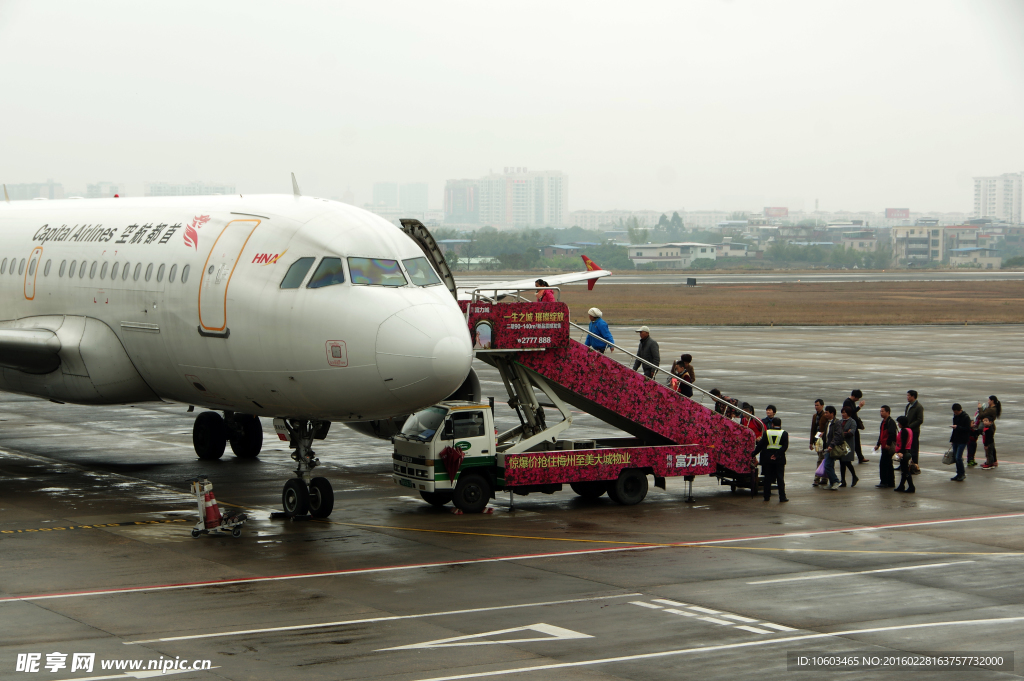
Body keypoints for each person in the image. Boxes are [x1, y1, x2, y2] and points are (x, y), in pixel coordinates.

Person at [758, 417, 789, 502]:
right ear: (780, 424)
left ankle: (766, 496)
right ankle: (782, 497)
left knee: (767, 478)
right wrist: (776, 454)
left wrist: (753, 453)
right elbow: (785, 447)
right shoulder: (784, 433)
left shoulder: (767, 433)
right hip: (779, 459)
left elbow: (761, 445)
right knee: (780, 478)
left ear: (772, 424)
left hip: (768, 459)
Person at [972, 396, 1001, 468]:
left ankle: (990, 461)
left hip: (989, 428)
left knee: (989, 445)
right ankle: (993, 461)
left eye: (989, 400)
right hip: (990, 427)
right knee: (991, 445)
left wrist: (980, 408)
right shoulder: (992, 408)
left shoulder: (992, 409)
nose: (988, 401)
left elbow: (982, 415)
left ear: (992, 401)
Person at [843, 389, 869, 464]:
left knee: (857, 441)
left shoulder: (851, 402)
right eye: (857, 398)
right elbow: (850, 413)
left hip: (854, 425)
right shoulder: (847, 402)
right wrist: (859, 407)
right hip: (850, 425)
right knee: (851, 442)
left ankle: (860, 457)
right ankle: (848, 456)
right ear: (854, 396)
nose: (857, 400)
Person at [874, 405, 898, 488]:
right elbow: (881, 434)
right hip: (884, 446)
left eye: (882, 411)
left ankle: (884, 482)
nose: (881, 413)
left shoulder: (890, 422)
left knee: (884, 464)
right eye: (880, 411)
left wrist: (888, 444)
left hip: (887, 447)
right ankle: (890, 482)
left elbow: (892, 434)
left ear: (888, 412)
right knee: (888, 464)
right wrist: (878, 444)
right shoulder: (884, 422)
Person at [948, 403, 971, 482]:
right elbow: (954, 430)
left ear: (960, 410)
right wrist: (952, 439)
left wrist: (958, 427)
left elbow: (968, 429)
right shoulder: (955, 417)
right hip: (956, 439)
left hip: (962, 440)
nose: (955, 413)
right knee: (956, 457)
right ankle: (958, 473)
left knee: (958, 457)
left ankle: (962, 473)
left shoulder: (966, 417)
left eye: (956, 412)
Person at [837, 406, 859, 487]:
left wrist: (843, 433)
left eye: (844, 412)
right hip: (841, 445)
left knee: (847, 462)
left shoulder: (852, 422)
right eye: (842, 412)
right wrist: (845, 432)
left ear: (848, 413)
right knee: (842, 462)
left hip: (848, 445)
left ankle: (854, 476)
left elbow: (851, 433)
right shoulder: (840, 421)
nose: (843, 414)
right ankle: (843, 480)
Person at [819, 406, 840, 490]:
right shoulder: (828, 423)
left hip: (832, 448)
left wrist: (832, 445)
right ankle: (832, 483)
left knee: (827, 465)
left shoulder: (836, 422)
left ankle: (836, 481)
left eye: (827, 412)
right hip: (828, 447)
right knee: (830, 465)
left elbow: (838, 435)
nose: (825, 414)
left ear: (832, 413)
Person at [894, 415, 916, 493]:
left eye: (899, 423)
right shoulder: (909, 429)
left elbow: (903, 443)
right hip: (908, 451)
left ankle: (911, 486)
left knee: (905, 471)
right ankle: (901, 485)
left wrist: (901, 452)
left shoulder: (904, 431)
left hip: (904, 452)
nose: (898, 424)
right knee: (904, 470)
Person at [810, 399, 827, 487]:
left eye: (818, 405)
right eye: (815, 405)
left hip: (823, 441)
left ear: (822, 406)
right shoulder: (815, 416)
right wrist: (811, 442)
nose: (816, 407)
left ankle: (817, 479)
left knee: (820, 459)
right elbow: (812, 429)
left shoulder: (825, 415)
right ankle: (824, 478)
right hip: (817, 441)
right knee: (822, 459)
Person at [905, 390, 924, 469]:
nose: (907, 397)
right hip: (907, 430)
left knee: (914, 448)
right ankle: (905, 463)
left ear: (913, 396)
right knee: (906, 447)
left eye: (909, 395)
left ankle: (914, 464)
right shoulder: (908, 405)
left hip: (914, 431)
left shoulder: (918, 407)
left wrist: (910, 426)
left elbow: (920, 420)